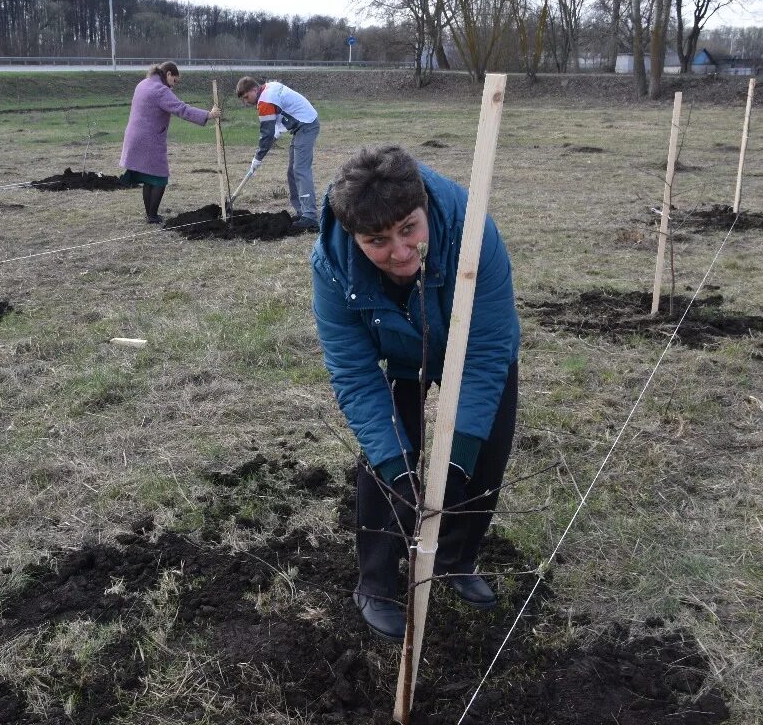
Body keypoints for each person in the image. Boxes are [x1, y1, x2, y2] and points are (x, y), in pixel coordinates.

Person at [311, 145, 520, 642]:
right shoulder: (331, 266)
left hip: (469, 344)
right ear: (352, 235)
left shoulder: (474, 234)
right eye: (376, 241)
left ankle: (455, 559)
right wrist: (397, 466)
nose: (400, 252)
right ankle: (377, 585)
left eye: (409, 228)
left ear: (424, 204)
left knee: (482, 452)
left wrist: (458, 456)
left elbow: (488, 351)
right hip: (395, 348)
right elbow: (355, 374)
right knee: (389, 464)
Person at [120, 61, 220, 224]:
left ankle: (150, 214)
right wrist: (208, 115)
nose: (174, 85)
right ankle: (152, 216)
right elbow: (182, 109)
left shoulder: (143, 84)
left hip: (134, 136)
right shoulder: (160, 90)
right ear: (168, 74)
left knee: (148, 177)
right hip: (149, 139)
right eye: (175, 81)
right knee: (160, 177)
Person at [235, 76, 320, 231]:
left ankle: (310, 217)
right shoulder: (268, 87)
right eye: (243, 99)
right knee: (292, 171)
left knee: (300, 170)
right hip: (301, 125)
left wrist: (257, 158)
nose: (246, 102)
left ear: (254, 89)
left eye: (246, 97)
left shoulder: (265, 101)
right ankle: (302, 212)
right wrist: (275, 133)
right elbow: (278, 118)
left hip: (306, 125)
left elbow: (266, 134)